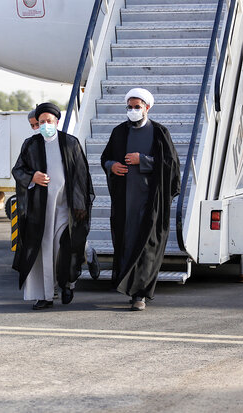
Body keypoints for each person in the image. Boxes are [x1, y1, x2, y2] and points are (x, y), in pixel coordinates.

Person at [100, 88, 181, 311]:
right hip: (125, 202)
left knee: (147, 246)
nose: (133, 110)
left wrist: (143, 160)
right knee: (127, 244)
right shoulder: (119, 132)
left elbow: (171, 166)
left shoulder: (159, 132)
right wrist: (111, 166)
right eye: (130, 107)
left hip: (151, 202)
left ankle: (140, 294)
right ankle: (130, 288)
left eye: (138, 107)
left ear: (147, 107)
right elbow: (106, 157)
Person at [12, 102, 94, 310]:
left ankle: (67, 283)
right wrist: (33, 177)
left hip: (65, 208)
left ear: (57, 122)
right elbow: (18, 170)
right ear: (37, 124)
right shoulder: (31, 145)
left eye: (49, 121)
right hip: (40, 210)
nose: (45, 125)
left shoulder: (70, 143)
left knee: (62, 247)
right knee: (42, 250)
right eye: (42, 122)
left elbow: (81, 177)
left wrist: (79, 205)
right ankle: (44, 295)